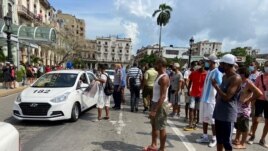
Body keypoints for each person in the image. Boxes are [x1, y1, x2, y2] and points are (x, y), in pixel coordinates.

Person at [212, 54, 242, 151]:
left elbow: (227, 98)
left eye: (222, 64)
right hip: (219, 113)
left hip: (227, 115)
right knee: (219, 140)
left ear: (228, 65)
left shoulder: (236, 78)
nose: (220, 66)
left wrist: (215, 86)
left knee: (226, 142)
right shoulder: (224, 76)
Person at [232, 67, 263, 149]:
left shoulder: (248, 82)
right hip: (238, 107)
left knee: (244, 127)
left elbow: (259, 93)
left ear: (243, 74)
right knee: (238, 125)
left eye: (239, 73)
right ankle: (237, 139)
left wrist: (249, 100)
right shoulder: (240, 82)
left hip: (244, 109)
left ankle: (242, 143)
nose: (237, 74)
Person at [196, 54, 223, 148]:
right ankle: (205, 136)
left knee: (212, 120)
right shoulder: (209, 71)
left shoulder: (217, 72)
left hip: (211, 100)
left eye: (208, 61)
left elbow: (221, 86)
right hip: (204, 99)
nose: (206, 63)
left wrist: (217, 98)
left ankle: (214, 138)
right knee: (204, 118)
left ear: (212, 62)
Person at [143, 58, 170, 151]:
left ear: (161, 64)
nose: (154, 65)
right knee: (154, 126)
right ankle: (153, 145)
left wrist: (154, 110)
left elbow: (162, 96)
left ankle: (162, 149)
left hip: (160, 105)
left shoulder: (164, 78)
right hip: (155, 103)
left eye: (156, 64)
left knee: (161, 127)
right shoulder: (159, 75)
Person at [248, 60, 268, 148]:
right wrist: (251, 99)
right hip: (259, 101)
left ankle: (262, 139)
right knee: (256, 120)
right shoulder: (260, 77)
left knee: (267, 122)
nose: (267, 67)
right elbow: (254, 88)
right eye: (266, 65)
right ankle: (252, 136)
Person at [184, 61, 207, 131]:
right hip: (193, 94)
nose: (198, 66)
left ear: (203, 65)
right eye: (198, 65)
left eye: (200, 64)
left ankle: (196, 123)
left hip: (201, 95)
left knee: (198, 110)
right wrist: (188, 90)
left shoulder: (206, 74)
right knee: (191, 108)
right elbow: (190, 81)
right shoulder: (193, 73)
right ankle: (190, 123)